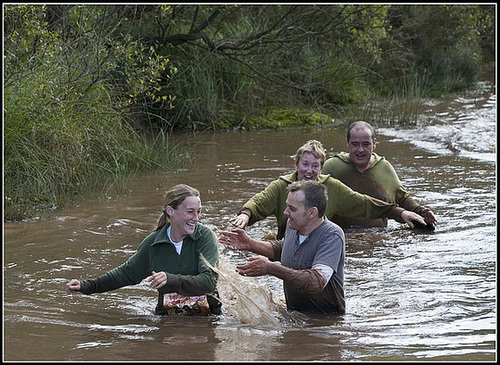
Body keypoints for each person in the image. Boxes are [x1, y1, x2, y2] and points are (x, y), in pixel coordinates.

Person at [66, 184, 221, 315]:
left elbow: (208, 283)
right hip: (168, 320)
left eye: (199, 211)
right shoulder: (153, 243)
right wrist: (87, 285)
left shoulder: (205, 237)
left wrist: (171, 279)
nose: (196, 218)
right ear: (170, 211)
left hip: (208, 319)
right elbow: (125, 274)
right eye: (190, 212)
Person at [230, 139, 426, 239]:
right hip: (286, 246)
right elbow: (259, 202)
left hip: (318, 245)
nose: (309, 171)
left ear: (321, 168)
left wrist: (400, 213)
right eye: (305, 164)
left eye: (315, 166)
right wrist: (246, 215)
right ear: (296, 164)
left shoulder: (331, 187)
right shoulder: (282, 186)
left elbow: (364, 204)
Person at [220, 180, 345, 314]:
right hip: (294, 315)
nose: (285, 212)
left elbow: (317, 281)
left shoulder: (332, 236)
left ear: (312, 212)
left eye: (292, 209)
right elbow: (283, 249)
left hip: (326, 322)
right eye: (287, 206)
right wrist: (250, 244)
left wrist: (271, 268)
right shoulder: (293, 225)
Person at [322, 121, 437, 229]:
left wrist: (420, 211)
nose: (360, 150)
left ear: (374, 144)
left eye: (366, 144)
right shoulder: (333, 167)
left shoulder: (384, 168)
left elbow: (401, 197)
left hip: (378, 234)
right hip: (344, 234)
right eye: (355, 144)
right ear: (348, 144)